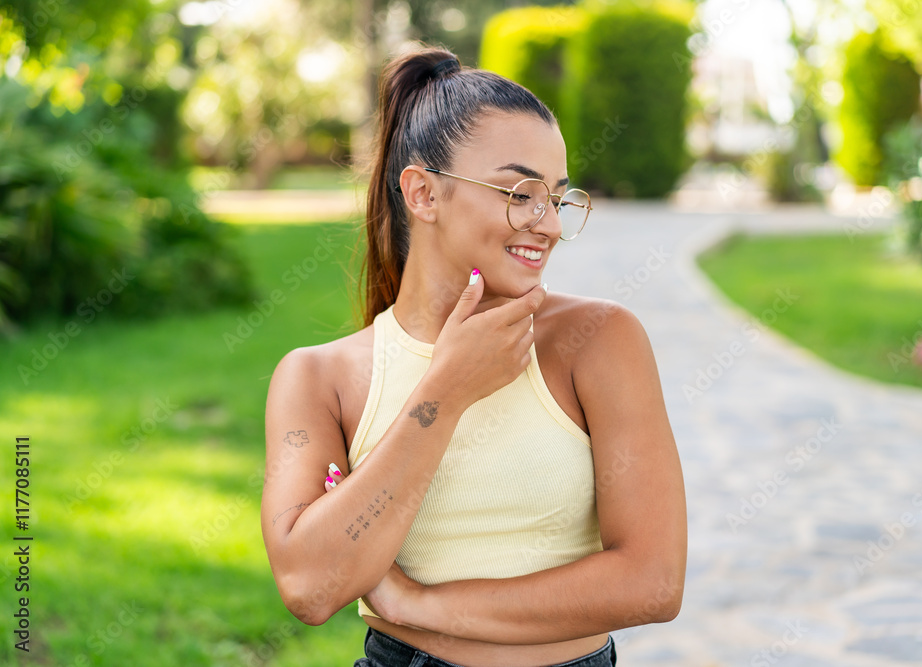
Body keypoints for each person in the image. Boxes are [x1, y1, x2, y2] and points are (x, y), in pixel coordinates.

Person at [260, 46, 687, 667]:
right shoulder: (320, 378)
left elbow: (652, 582)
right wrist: (446, 391)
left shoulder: (598, 341)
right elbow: (309, 585)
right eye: (519, 192)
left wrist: (420, 607)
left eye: (558, 198)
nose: (547, 224)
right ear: (424, 194)